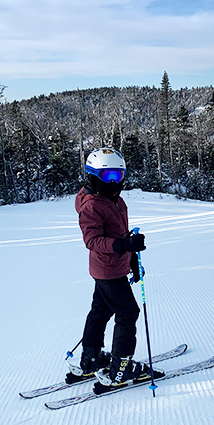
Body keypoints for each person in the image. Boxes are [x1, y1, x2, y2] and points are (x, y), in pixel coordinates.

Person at [68, 147, 163, 394]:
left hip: (112, 267)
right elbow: (92, 240)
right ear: (93, 175)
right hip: (108, 270)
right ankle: (119, 369)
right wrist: (123, 245)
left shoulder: (115, 201)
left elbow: (120, 234)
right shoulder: (92, 205)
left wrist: (131, 258)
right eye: (109, 176)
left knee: (100, 312)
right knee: (128, 313)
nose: (114, 182)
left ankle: (90, 359)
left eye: (118, 176)